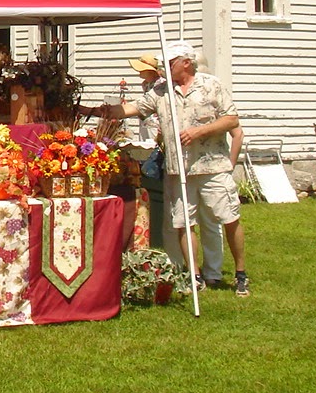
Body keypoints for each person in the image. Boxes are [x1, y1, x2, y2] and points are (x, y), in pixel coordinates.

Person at [98, 41, 249, 297]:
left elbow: (231, 119)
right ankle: (195, 275)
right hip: (178, 169)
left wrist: (199, 131)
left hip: (212, 166)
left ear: (186, 63)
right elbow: (133, 108)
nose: (163, 68)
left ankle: (240, 274)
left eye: (169, 63)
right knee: (183, 222)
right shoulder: (161, 90)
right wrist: (95, 110)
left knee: (228, 218)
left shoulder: (211, 85)